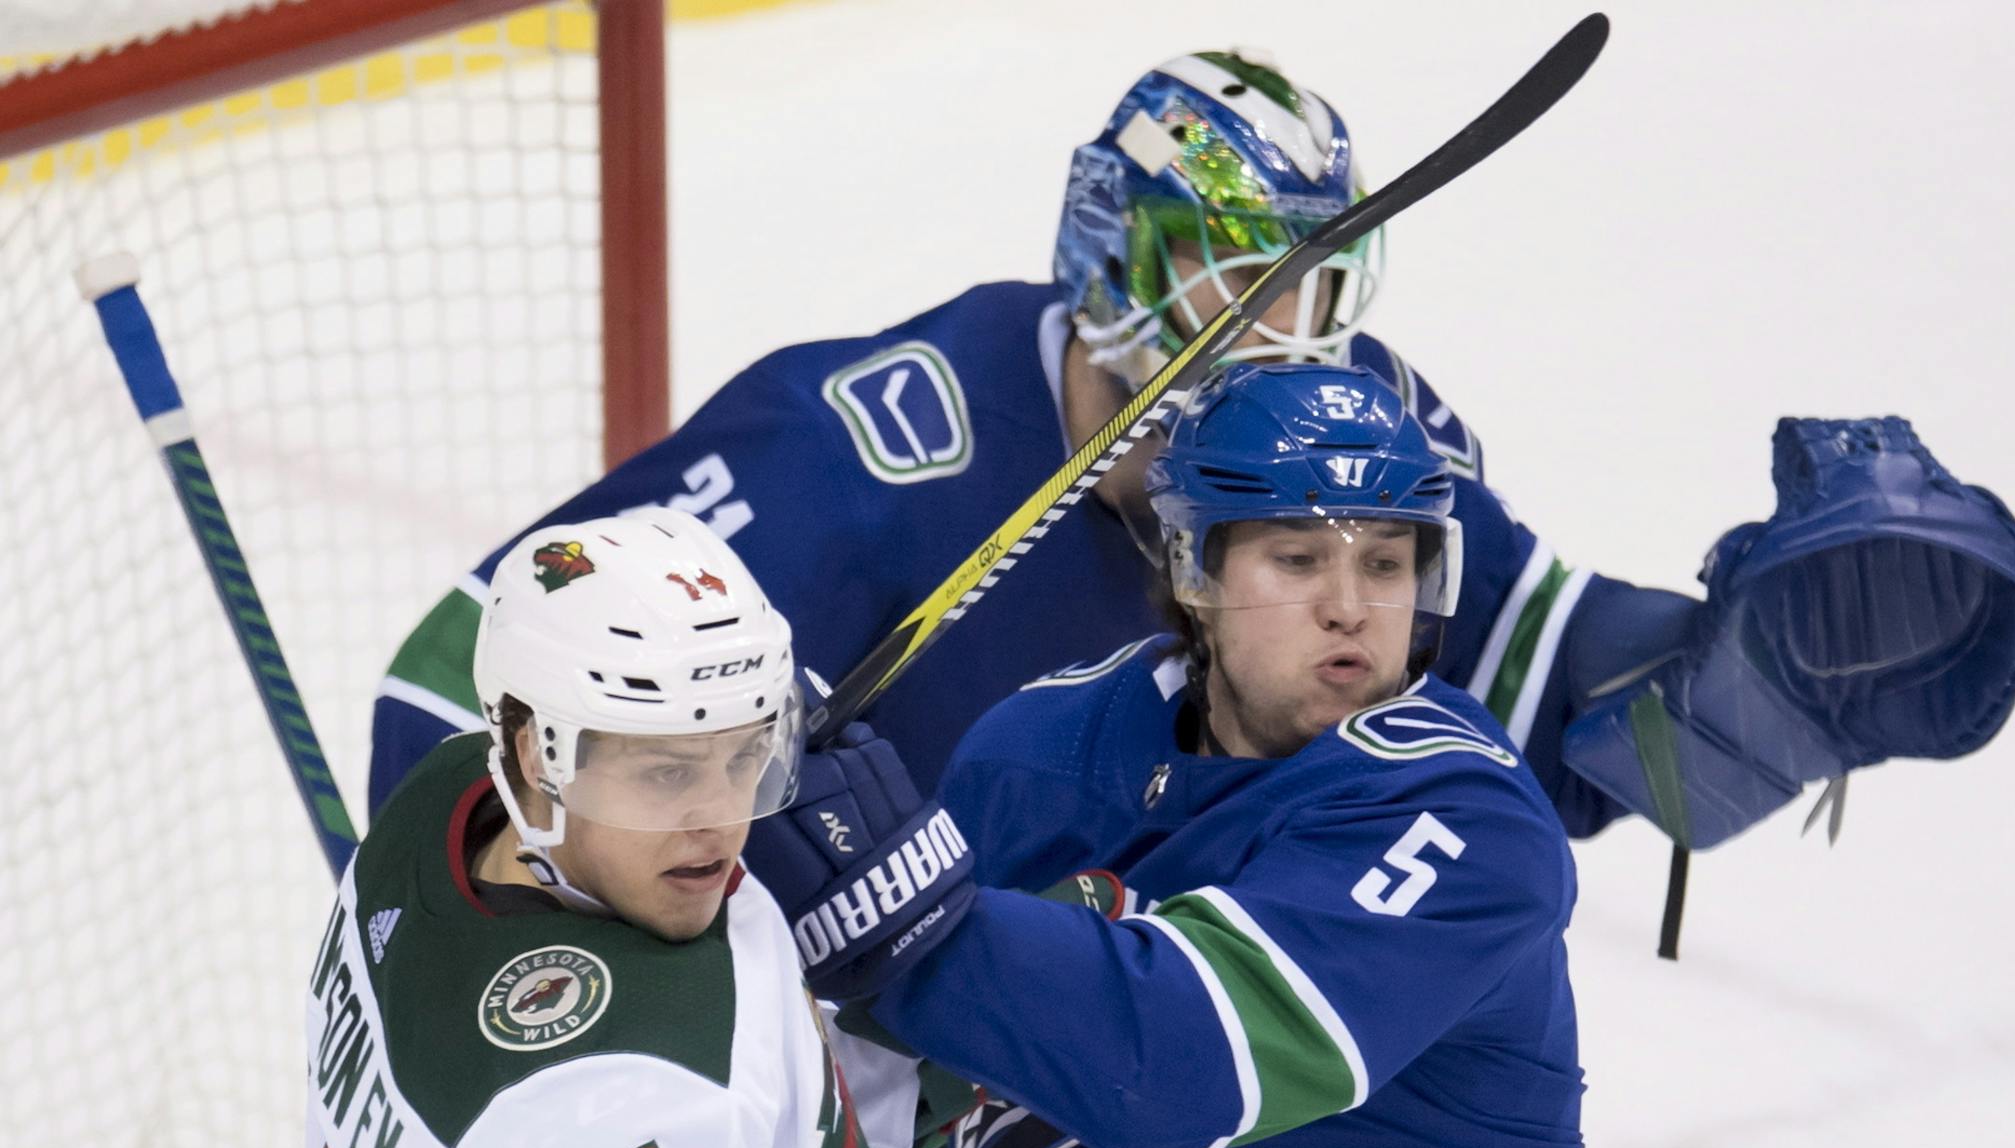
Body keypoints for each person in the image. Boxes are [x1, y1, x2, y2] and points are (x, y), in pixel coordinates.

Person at [367, 49, 1698, 849]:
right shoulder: (866, 463)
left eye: (1318, 292)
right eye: (1234, 284)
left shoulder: (1348, 436)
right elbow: (454, 680)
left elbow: (1545, 679)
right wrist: (478, 904)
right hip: (892, 1088)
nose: (1286, 348)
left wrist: (1747, 677)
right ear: (1112, 255)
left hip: (1162, 1050)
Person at [748, 364, 1617, 1148]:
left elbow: (1176, 1063)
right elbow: (888, 1055)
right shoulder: (1044, 745)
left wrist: (900, 911)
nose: (1351, 607)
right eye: (1298, 559)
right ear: (1192, 568)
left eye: (1385, 562)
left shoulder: (1464, 814)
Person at [304, 507, 914, 1148]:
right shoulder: (608, 1107)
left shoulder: (446, 796)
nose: (720, 820)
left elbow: (751, 1092)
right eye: (668, 774)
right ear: (536, 756)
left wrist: (914, 1043)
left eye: (744, 759)